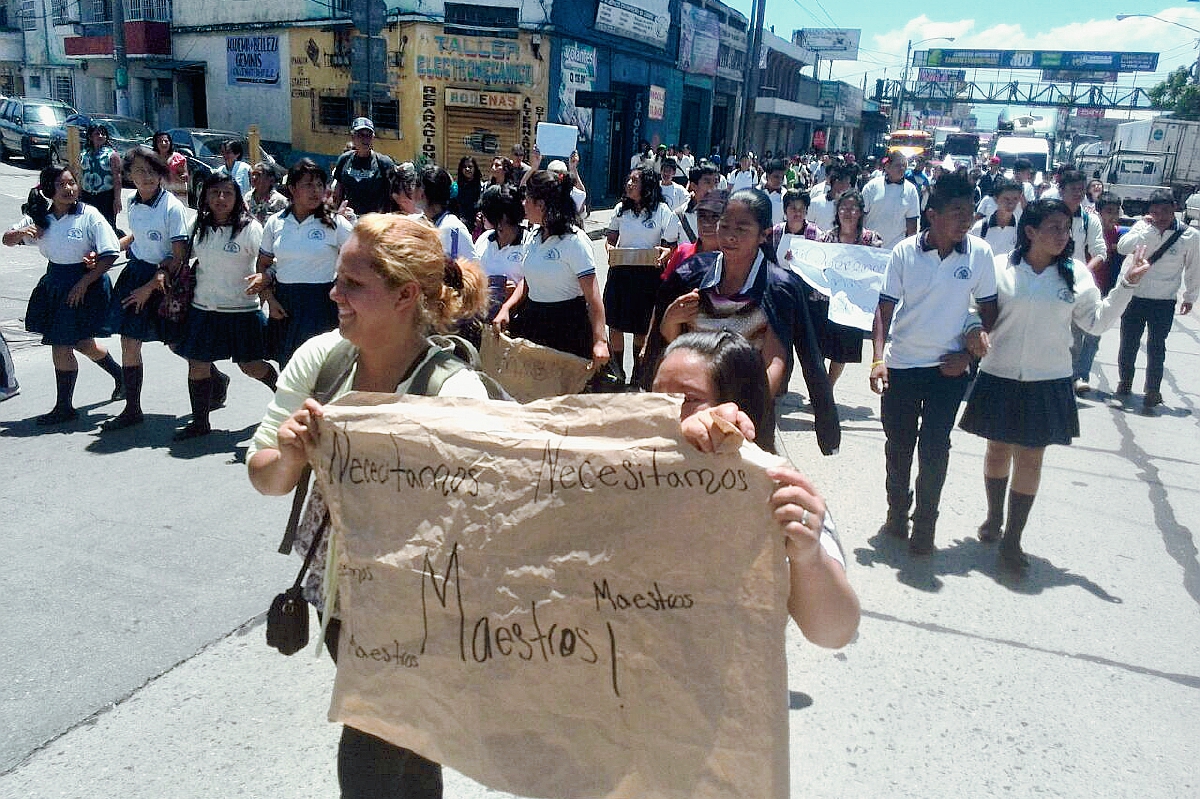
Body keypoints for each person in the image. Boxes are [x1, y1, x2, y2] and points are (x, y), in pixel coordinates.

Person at [247, 213, 492, 799]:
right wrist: (291, 454)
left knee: (371, 751)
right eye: (338, 280)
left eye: (353, 284)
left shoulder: (455, 393)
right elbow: (264, 476)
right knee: (407, 748)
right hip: (341, 601)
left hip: (426, 609)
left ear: (406, 296)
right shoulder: (322, 361)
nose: (334, 294)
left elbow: (491, 511)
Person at [959, 199, 1150, 570]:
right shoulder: (999, 268)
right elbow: (972, 309)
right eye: (1054, 228)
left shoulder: (1075, 274)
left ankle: (1013, 539)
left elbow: (1096, 322)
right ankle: (994, 517)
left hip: (1047, 381)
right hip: (999, 375)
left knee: (1031, 457)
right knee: (997, 449)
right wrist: (974, 330)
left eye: (1066, 228)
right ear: (1030, 232)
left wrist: (1126, 284)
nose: (1063, 235)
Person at [653, 330, 860, 648]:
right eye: (656, 395)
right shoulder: (622, 470)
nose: (664, 410)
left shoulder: (779, 492)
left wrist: (808, 556)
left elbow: (833, 633)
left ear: (738, 407)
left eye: (688, 399)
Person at [647, 188, 841, 456]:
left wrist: (745, 409)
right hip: (691, 414)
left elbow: (776, 361)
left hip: (747, 418)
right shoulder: (690, 275)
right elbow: (671, 348)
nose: (729, 235)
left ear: (763, 234)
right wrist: (669, 322)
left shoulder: (778, 288)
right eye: (725, 225)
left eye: (741, 229)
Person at [869, 174, 999, 555]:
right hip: (902, 365)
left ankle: (925, 523)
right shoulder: (904, 252)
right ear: (932, 215)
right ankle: (897, 511)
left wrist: (969, 355)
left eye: (969, 213)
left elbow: (990, 310)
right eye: (956, 212)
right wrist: (877, 359)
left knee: (935, 446)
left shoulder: (979, 254)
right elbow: (884, 308)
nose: (965, 221)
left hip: (949, 369)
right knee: (898, 445)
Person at [3, 166, 124, 424]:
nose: (69, 189)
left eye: (72, 183)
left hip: (85, 286)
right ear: (49, 190)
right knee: (82, 344)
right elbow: (7, 240)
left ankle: (64, 407)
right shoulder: (41, 217)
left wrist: (84, 283)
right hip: (56, 285)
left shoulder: (88, 215)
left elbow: (111, 252)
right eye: (61, 184)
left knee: (63, 344)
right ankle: (121, 377)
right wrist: (22, 233)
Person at [171, 172, 278, 439]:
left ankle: (286, 401)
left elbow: (270, 262)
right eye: (215, 193)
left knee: (251, 366)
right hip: (204, 308)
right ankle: (200, 422)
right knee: (198, 363)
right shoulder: (198, 224)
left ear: (237, 197)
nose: (221, 198)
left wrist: (265, 284)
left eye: (227, 193)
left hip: (242, 311)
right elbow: (181, 256)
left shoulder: (250, 228)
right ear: (205, 196)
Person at [102, 146, 190, 430]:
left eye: (152, 170)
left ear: (161, 173)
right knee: (129, 341)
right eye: (140, 171)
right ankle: (132, 408)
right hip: (135, 274)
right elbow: (136, 236)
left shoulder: (172, 207)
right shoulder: (132, 202)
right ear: (129, 175)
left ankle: (214, 378)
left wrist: (150, 287)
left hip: (165, 280)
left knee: (176, 342)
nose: (147, 176)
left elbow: (178, 256)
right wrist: (110, 248)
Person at [493, 170, 610, 367]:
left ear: (541, 205)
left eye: (527, 199)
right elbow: (529, 280)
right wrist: (507, 307)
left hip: (567, 328)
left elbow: (593, 298)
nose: (523, 204)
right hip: (534, 322)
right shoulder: (533, 236)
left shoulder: (575, 241)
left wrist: (600, 341)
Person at [251, 159, 354, 367]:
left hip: (322, 305)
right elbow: (262, 265)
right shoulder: (276, 222)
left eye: (319, 185)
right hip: (285, 304)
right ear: (292, 188)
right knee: (288, 367)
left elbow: (357, 260)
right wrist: (270, 299)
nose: (315, 191)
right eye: (308, 184)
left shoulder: (335, 222)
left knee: (321, 369)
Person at [1114, 188, 1200, 410]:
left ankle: (1153, 390)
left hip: (1164, 301)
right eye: (1156, 212)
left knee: (1157, 346)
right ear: (1150, 211)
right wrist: (1146, 230)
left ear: (1174, 209)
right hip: (1135, 297)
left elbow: (1194, 268)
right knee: (1128, 343)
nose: (1161, 217)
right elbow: (1123, 248)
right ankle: (1125, 381)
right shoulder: (1142, 228)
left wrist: (1190, 296)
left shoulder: (1189, 236)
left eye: (1165, 211)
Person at [603, 165, 680, 385]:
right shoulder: (620, 209)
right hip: (621, 272)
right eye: (629, 180)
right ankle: (618, 371)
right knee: (615, 325)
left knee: (641, 327)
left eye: (635, 181)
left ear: (647, 185)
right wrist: (609, 248)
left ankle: (638, 371)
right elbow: (610, 238)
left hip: (647, 275)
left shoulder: (662, 211)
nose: (629, 184)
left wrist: (666, 253)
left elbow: (670, 245)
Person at [813, 190, 883, 388]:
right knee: (819, 349)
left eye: (853, 208)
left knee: (841, 352)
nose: (848, 212)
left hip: (853, 305)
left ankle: (828, 387)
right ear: (837, 211)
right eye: (843, 208)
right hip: (826, 303)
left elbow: (877, 270)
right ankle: (820, 389)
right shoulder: (826, 239)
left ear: (860, 212)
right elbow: (814, 263)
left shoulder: (871, 240)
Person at [473, 184, 527, 320]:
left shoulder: (529, 242)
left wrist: (514, 294)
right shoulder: (484, 238)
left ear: (503, 216)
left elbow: (532, 283)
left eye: (487, 212)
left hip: (515, 319)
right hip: (481, 318)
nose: (481, 215)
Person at [331, 118, 396, 216]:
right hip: (348, 218)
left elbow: (393, 195)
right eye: (360, 135)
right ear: (353, 137)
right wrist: (335, 216)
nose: (365, 139)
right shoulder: (344, 160)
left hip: (374, 220)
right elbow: (338, 193)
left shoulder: (384, 163)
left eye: (368, 135)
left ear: (373, 138)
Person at [663, 189, 726, 280]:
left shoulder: (735, 258)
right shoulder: (682, 252)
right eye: (702, 216)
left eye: (715, 217)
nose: (706, 223)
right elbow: (666, 286)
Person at [862, 155, 920, 249]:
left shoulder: (911, 190)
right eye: (898, 165)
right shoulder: (872, 186)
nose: (902, 168)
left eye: (904, 166)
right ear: (887, 167)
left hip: (896, 248)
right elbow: (861, 216)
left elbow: (912, 222)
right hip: (870, 246)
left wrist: (911, 249)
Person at [417, 165, 473, 261]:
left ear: (422, 193)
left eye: (416, 186)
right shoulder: (417, 222)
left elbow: (473, 265)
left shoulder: (453, 228)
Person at [78, 124, 123, 231]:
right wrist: (78, 194)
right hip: (87, 196)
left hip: (105, 197)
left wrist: (117, 199)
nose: (101, 136)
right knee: (87, 226)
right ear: (90, 137)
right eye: (97, 134)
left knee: (106, 227)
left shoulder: (112, 155)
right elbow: (80, 175)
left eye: (103, 134)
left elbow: (117, 178)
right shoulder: (84, 154)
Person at [968, 178, 1022, 258]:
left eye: (1015, 199)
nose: (1011, 203)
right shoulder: (980, 228)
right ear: (996, 199)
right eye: (1006, 199)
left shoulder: (1020, 231)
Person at [676, 163, 721, 244]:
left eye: (716, 182)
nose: (713, 188)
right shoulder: (679, 216)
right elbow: (670, 246)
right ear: (693, 186)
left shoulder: (725, 215)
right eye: (707, 182)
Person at [807, 165, 852, 232]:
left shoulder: (849, 206)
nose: (849, 186)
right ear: (837, 182)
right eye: (847, 182)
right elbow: (808, 226)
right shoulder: (815, 203)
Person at [153, 130, 189, 207]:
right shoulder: (152, 159)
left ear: (170, 142)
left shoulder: (178, 158)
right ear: (156, 143)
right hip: (159, 193)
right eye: (160, 141)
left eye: (166, 141)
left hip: (177, 193)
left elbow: (185, 176)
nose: (163, 143)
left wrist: (182, 176)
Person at [449, 156, 482, 224]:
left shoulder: (481, 187)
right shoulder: (455, 187)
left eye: (470, 167)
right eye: (464, 167)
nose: (467, 169)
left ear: (475, 169)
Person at [760, 158, 788, 226]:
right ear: (767, 176)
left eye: (782, 177)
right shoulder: (757, 193)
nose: (780, 181)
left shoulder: (786, 196)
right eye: (776, 177)